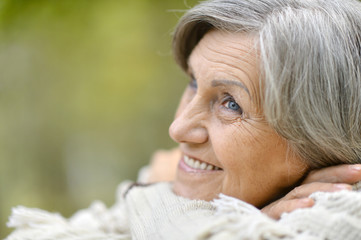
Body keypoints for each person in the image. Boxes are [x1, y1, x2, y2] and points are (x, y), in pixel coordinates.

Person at [6, 0, 361, 239]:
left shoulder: (338, 217)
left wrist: (154, 197)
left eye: (231, 104)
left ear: (325, 140)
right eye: (193, 82)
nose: (178, 128)